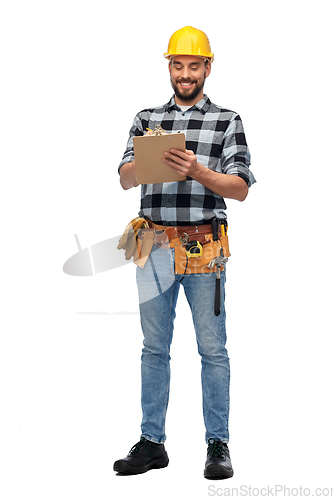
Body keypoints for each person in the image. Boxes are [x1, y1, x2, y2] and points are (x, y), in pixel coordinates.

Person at [113, 26, 256, 479]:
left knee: (213, 349)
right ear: (169, 67)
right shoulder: (146, 118)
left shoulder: (227, 121)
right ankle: (152, 442)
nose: (186, 74)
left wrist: (197, 169)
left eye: (194, 66)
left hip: (204, 247)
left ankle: (218, 444)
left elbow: (240, 188)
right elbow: (124, 178)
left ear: (207, 68)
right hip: (152, 245)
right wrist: (148, 162)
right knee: (153, 348)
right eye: (178, 65)